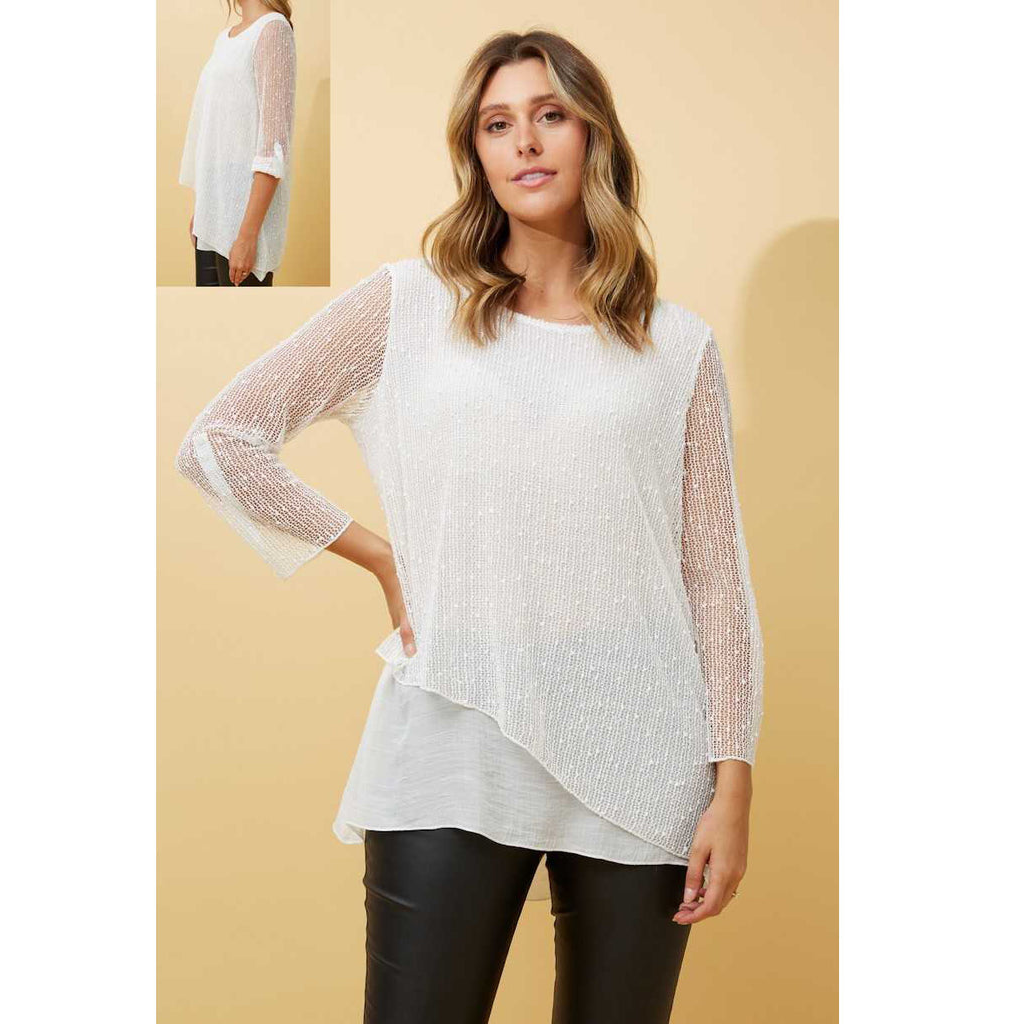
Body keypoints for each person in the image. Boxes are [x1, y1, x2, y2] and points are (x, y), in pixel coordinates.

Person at [174, 28, 765, 1024]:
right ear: (475, 151)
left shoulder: (677, 345)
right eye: (497, 123)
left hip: (643, 742)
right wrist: (378, 556)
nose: (524, 142)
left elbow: (714, 575)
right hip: (454, 730)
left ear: (593, 136)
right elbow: (221, 439)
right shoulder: (408, 306)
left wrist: (731, 784)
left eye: (550, 115)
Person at [179, 1, 296, 286]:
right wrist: (204, 207)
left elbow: (273, 148)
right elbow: (221, 132)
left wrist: (247, 235)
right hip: (213, 217)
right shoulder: (225, 38)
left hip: (244, 220)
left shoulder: (273, 30)